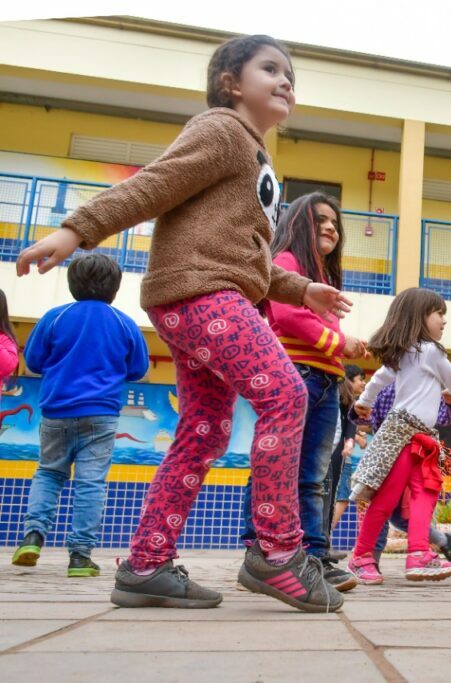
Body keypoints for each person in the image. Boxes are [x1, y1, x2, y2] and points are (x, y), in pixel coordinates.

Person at [15, 34, 351, 612]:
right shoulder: (221, 130)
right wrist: (78, 229)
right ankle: (276, 551)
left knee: (203, 432)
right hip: (202, 295)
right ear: (230, 82)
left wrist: (301, 287)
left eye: (291, 72)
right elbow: (154, 183)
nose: (286, 80)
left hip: (205, 294)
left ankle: (145, 565)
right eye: (270, 68)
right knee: (285, 395)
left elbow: (244, 256)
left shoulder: (256, 158)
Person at [239, 193, 362, 592]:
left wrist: (345, 344)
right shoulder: (289, 264)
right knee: (279, 466)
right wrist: (338, 343)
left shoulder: (322, 276)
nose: (331, 227)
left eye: (335, 223)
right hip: (298, 375)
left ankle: (314, 554)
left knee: (314, 474)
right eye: (321, 220)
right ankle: (259, 552)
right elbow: (289, 317)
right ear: (298, 224)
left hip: (325, 380)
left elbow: (324, 331)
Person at [11, 255, 149, 577]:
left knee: (48, 473)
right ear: (115, 288)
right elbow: (138, 369)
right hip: (101, 415)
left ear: (73, 285)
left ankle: (33, 537)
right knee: (91, 483)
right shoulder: (123, 322)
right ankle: (79, 556)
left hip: (56, 411)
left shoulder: (55, 317)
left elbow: (33, 361)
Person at [347, 288, 451, 582]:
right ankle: (415, 555)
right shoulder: (431, 351)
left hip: (411, 434)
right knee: (423, 494)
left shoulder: (402, 356)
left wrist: (363, 403)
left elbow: (377, 382)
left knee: (390, 497)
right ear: (419, 317)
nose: (444, 321)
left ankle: (368, 557)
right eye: (439, 314)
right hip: (411, 436)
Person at [327, 364, 368, 549]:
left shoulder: (350, 402)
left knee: (333, 494)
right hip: (326, 451)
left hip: (339, 454)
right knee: (331, 495)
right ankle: (321, 538)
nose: (364, 383)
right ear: (349, 379)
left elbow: (349, 423)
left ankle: (323, 539)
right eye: (360, 379)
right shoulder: (331, 392)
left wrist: (351, 440)